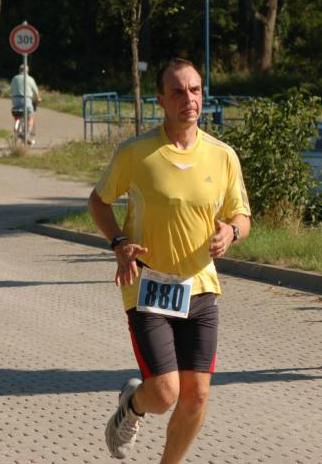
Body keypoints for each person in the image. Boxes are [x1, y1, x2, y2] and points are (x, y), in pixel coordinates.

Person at [88, 57, 251, 463]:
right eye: (177, 91)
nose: (188, 98)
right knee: (164, 394)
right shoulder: (136, 152)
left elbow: (242, 216)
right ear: (161, 99)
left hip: (200, 286)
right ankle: (132, 405)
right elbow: (98, 201)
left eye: (194, 90)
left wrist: (231, 232)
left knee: (197, 395)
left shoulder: (222, 155)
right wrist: (119, 242)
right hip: (148, 284)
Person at [9, 64, 41, 144]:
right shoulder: (30, 79)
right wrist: (38, 98)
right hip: (26, 100)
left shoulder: (14, 78)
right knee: (30, 116)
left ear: (19, 70)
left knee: (17, 114)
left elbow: (11, 89)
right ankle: (27, 134)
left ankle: (17, 129)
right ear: (27, 71)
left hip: (15, 100)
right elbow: (35, 90)